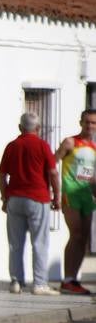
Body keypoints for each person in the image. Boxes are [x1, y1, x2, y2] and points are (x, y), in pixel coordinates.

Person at [0, 112, 60, 295]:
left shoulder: (12, 146)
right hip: (38, 197)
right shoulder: (42, 146)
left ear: (20, 128)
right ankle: (40, 284)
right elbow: (53, 173)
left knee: (15, 244)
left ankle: (16, 282)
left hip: (15, 198)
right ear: (38, 128)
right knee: (39, 242)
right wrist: (57, 196)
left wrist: (4, 198)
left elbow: (2, 176)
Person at [55, 109, 96, 295]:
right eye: (87, 122)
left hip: (87, 196)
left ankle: (74, 279)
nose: (90, 126)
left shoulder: (94, 148)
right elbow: (51, 164)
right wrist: (52, 191)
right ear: (81, 122)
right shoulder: (70, 142)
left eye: (93, 123)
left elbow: (92, 175)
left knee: (84, 238)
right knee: (76, 234)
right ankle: (67, 279)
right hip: (70, 194)